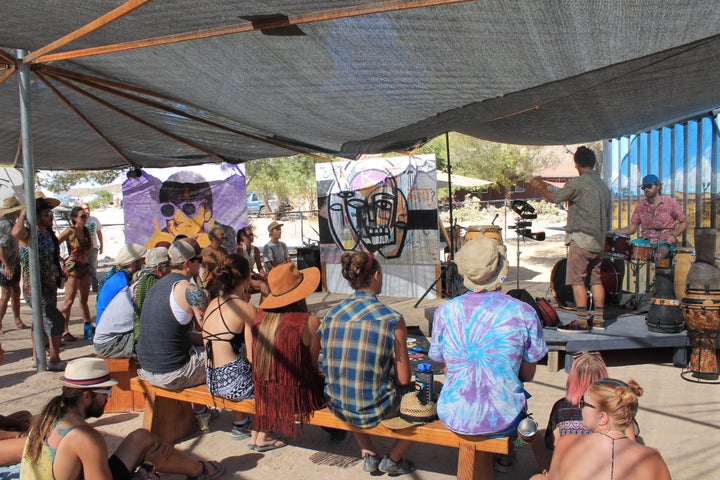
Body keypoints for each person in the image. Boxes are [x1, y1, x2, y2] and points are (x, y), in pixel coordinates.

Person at [20, 357, 224, 479]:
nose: (108, 399)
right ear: (85, 395)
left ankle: (197, 469)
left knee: (142, 437)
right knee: (152, 453)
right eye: (106, 393)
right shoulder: (85, 438)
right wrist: (147, 467)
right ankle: (200, 469)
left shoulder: (48, 417)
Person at [429, 237, 547, 442]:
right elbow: (528, 374)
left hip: (454, 415)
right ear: (501, 269)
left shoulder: (445, 311)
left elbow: (447, 368)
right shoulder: (523, 312)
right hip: (503, 420)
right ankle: (505, 457)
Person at [319, 251, 415, 476]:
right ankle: (393, 458)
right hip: (374, 407)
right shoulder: (391, 318)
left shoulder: (331, 314)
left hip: (336, 402)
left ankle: (368, 452)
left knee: (353, 382)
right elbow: (403, 379)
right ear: (377, 276)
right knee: (425, 395)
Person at [531, 146, 612, 331]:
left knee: (578, 280)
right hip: (598, 242)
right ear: (594, 163)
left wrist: (540, 187)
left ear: (576, 164)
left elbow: (555, 197)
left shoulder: (578, 183)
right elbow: (607, 214)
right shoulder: (603, 186)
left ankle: (581, 320)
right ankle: (599, 320)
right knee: (596, 280)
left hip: (581, 240)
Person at [530, 378, 671, 480]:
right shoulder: (652, 457)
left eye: (583, 403)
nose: (580, 407)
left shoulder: (567, 443)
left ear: (602, 417)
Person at [250, 262, 325, 448]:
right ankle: (336, 431)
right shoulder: (309, 321)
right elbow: (313, 366)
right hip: (298, 397)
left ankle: (262, 431)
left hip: (266, 395)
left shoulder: (259, 319)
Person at [137, 239, 208, 390]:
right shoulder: (191, 290)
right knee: (236, 353)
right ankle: (242, 412)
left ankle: (198, 410)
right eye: (199, 260)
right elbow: (212, 332)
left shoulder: (157, 285)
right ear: (187, 263)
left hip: (147, 369)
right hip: (174, 373)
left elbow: (175, 333)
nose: (201, 264)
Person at [11, 195, 66, 371]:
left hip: (48, 285)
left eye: (50, 213)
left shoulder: (47, 234)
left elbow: (50, 256)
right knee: (55, 321)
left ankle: (38, 357)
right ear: (36, 217)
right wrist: (24, 213)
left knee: (39, 321)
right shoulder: (29, 235)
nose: (50, 217)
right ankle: (54, 358)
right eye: (45, 214)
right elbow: (16, 232)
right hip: (34, 287)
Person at [93, 248, 170, 358]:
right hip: (111, 342)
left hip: (111, 335)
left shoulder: (138, 280)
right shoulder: (144, 285)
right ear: (159, 270)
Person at [145, 171, 235, 251]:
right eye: (169, 209)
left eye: (188, 208)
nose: (178, 217)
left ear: (206, 210)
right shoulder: (159, 239)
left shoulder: (223, 234)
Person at [612, 174, 688, 263]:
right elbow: (632, 229)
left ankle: (659, 276)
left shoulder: (671, 203)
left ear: (658, 186)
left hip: (665, 241)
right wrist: (614, 232)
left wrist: (673, 236)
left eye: (649, 186)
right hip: (645, 241)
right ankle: (617, 276)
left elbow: (684, 222)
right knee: (619, 253)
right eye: (643, 187)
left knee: (658, 257)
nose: (646, 189)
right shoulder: (640, 206)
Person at [57, 206, 93, 342]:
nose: (85, 218)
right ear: (74, 218)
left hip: (84, 266)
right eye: (82, 216)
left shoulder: (86, 231)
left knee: (84, 300)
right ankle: (64, 330)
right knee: (69, 300)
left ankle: (88, 325)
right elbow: (54, 244)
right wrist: (63, 259)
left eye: (86, 216)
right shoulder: (70, 231)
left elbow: (89, 249)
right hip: (73, 268)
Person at [95, 244, 146, 327]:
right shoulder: (121, 283)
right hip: (110, 328)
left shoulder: (119, 276)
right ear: (133, 263)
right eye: (143, 260)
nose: (145, 262)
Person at [0, 197, 26, 333]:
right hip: (6, 263)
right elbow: (1, 247)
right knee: (6, 292)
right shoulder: (5, 224)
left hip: (13, 261)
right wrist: (6, 265)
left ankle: (17, 319)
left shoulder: (11, 223)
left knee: (16, 290)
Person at [236, 226, 269, 301]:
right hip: (242, 277)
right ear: (243, 237)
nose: (252, 236)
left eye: (252, 234)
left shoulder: (256, 249)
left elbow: (259, 267)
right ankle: (266, 308)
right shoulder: (239, 249)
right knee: (262, 285)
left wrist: (263, 274)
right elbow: (238, 268)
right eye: (250, 235)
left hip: (251, 275)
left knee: (269, 281)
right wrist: (251, 274)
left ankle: (262, 305)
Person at [81, 203, 103, 293]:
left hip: (93, 247)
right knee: (83, 267)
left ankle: (95, 286)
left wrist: (102, 244)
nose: (87, 211)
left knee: (92, 267)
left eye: (88, 208)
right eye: (84, 209)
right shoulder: (81, 220)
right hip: (83, 248)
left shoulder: (94, 220)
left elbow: (99, 233)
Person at [200, 226, 228, 292]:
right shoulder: (206, 252)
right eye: (222, 234)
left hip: (223, 282)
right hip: (211, 285)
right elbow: (217, 270)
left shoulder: (224, 251)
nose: (224, 236)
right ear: (214, 237)